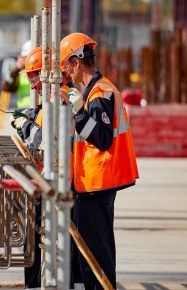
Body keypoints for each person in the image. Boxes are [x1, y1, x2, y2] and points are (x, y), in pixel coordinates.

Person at [60, 32, 139, 289]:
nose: (66, 72)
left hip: (98, 181)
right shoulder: (95, 90)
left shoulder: (100, 94)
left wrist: (78, 112)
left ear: (76, 62)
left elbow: (102, 139)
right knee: (95, 247)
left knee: (95, 251)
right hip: (94, 180)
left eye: (65, 65)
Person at [9, 46, 72, 288]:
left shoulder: (60, 98)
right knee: (33, 236)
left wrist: (24, 125)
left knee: (38, 237)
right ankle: (33, 283)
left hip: (56, 179)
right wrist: (32, 115)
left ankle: (36, 285)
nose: (32, 85)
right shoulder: (53, 99)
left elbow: (44, 140)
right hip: (46, 176)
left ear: (46, 74)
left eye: (34, 78)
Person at [2, 40, 33, 108]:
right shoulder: (19, 73)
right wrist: (16, 68)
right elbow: (6, 87)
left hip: (39, 111)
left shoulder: (41, 71)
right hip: (24, 112)